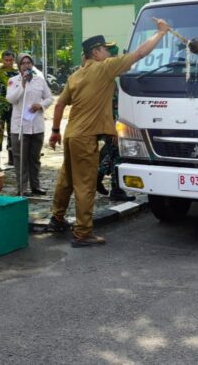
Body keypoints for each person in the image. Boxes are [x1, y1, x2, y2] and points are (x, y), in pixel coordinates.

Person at [47, 19, 170, 246]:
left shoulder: (75, 76)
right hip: (85, 139)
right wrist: (161, 33)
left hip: (71, 135)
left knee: (66, 180)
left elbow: (59, 105)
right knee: (85, 185)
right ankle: (83, 233)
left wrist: (54, 131)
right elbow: (140, 53)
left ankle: (56, 219)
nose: (107, 52)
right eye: (105, 48)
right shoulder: (105, 68)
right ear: (96, 52)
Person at [6, 52, 53, 196]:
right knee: (20, 159)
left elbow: (49, 97)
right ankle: (22, 188)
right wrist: (23, 85)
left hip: (37, 125)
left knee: (35, 158)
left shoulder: (39, 80)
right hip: (19, 127)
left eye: (29, 62)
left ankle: (35, 186)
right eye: (23, 63)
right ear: (19, 66)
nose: (27, 65)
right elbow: (10, 99)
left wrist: (41, 105)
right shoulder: (13, 81)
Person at [95, 45, 134, 202]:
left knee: (113, 153)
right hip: (108, 125)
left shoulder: (108, 79)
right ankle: (111, 186)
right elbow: (108, 108)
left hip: (108, 124)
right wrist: (113, 129)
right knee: (116, 154)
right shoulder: (107, 82)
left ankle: (105, 182)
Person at [0, 50, 18, 170]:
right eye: (6, 60)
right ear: (2, 60)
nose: (8, 62)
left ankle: (12, 158)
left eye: (11, 60)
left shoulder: (17, 73)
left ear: (14, 60)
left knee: (13, 133)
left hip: (13, 107)